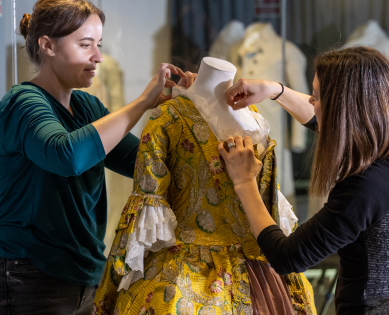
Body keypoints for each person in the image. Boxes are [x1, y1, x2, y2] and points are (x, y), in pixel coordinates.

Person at [0, 1, 195, 314]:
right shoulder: (23, 103)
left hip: (87, 273)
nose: (98, 57)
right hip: (32, 274)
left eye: (99, 45)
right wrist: (142, 102)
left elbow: (144, 163)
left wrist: (186, 108)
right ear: (47, 45)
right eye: (85, 45)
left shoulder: (88, 107)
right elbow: (66, 155)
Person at [93, 57, 316, 315]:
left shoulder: (255, 117)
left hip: (265, 269)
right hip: (188, 278)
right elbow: (147, 205)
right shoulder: (166, 119)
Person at [219, 46, 389, 314]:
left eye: (316, 97)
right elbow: (319, 120)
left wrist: (244, 181)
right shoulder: (380, 148)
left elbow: (288, 257)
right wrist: (275, 90)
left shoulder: (365, 188)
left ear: (341, 109)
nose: (310, 102)